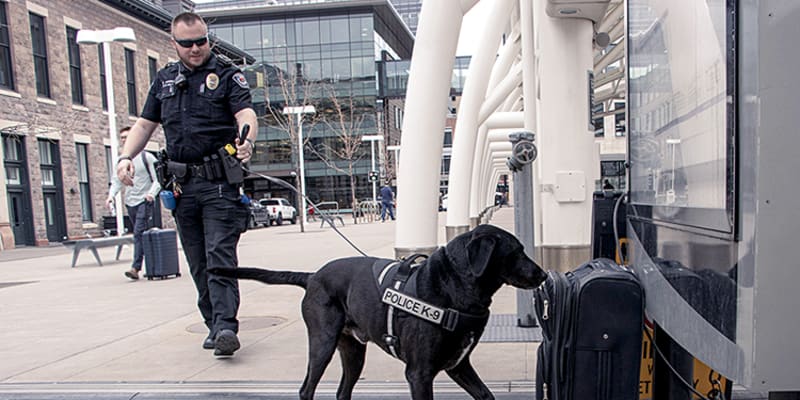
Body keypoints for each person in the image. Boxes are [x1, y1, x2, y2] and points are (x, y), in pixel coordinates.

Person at [115, 12, 258, 358]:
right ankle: (213, 324)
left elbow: (246, 114)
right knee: (196, 260)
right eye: (187, 43)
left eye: (201, 41)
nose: (196, 49)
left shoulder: (227, 74)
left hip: (219, 185)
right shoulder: (164, 79)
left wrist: (247, 141)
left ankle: (226, 326)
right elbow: (145, 124)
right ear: (173, 42)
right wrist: (124, 157)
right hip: (182, 186)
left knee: (219, 254)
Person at [106, 127, 161, 281]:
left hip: (145, 200)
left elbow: (158, 179)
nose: (124, 141)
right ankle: (152, 262)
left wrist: (151, 194)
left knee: (138, 232)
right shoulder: (121, 161)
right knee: (141, 235)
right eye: (122, 138)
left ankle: (135, 267)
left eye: (127, 137)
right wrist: (111, 196)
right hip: (130, 202)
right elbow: (116, 181)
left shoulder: (147, 158)